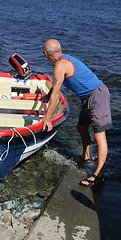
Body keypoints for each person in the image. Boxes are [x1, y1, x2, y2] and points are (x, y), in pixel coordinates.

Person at [41, 38, 112, 188]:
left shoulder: (60, 65)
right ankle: (86, 156)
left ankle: (97, 175)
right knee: (81, 127)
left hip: (97, 95)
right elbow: (54, 88)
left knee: (99, 135)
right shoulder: (63, 60)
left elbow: (56, 94)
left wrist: (47, 118)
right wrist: (47, 95)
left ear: (45, 54)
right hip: (87, 98)